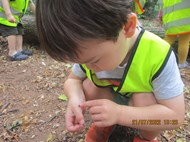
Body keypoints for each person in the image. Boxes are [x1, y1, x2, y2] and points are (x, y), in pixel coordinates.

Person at [36, 0, 185, 142]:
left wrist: (120, 113)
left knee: (145, 98)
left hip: (144, 108)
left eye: (94, 61)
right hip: (113, 98)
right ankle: (105, 123)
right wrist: (75, 98)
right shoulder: (91, 50)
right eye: (81, 62)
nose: (87, 67)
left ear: (127, 27)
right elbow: (73, 80)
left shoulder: (158, 55)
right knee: (88, 87)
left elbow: (175, 117)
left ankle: (147, 136)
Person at [157, 0, 190, 68]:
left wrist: (160, 17)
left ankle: (155, 54)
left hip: (170, 21)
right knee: (184, 41)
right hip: (185, 20)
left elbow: (161, 8)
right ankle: (182, 63)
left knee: (169, 39)